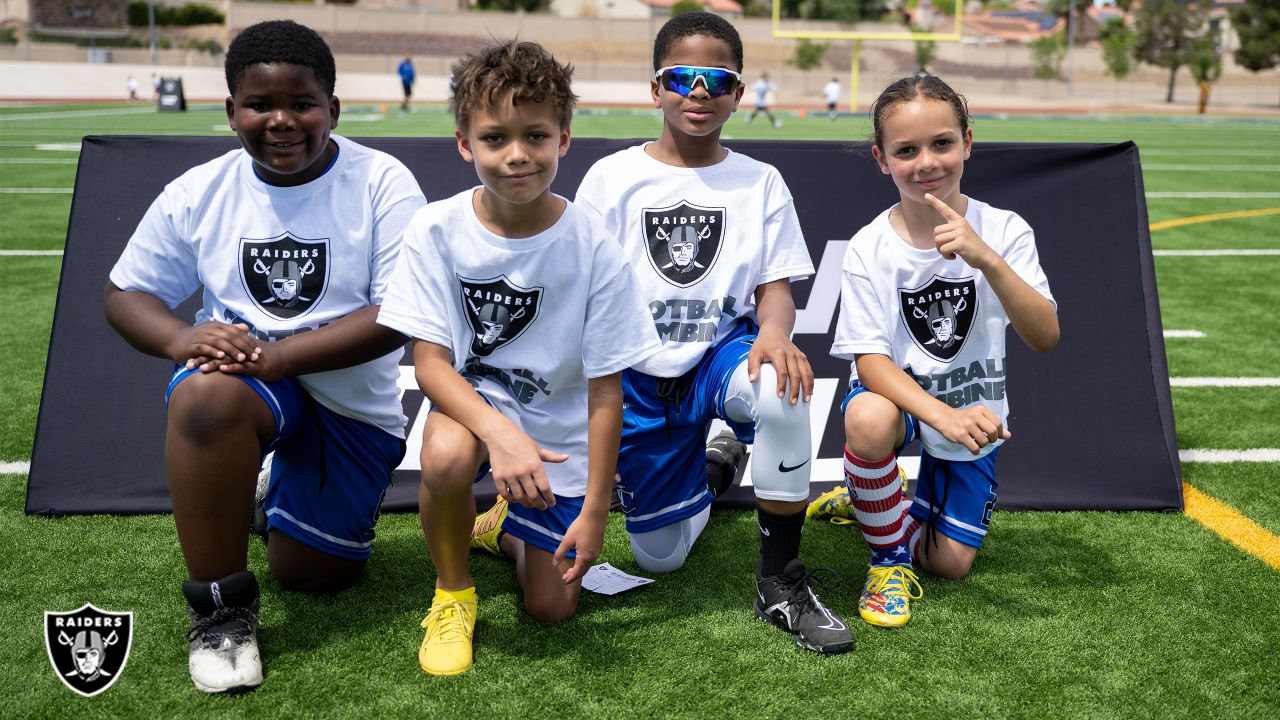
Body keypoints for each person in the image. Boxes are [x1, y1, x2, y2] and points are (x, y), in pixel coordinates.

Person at [103, 20, 427, 693]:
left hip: (349, 401)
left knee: (313, 576)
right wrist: (177, 338)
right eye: (259, 105)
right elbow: (124, 293)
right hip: (247, 385)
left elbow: (400, 311)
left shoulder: (381, 183)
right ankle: (220, 610)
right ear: (231, 112)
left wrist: (284, 357)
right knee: (203, 393)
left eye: (302, 104)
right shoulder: (201, 189)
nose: (282, 121)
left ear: (332, 109)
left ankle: (264, 487)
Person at [377, 40, 661, 677]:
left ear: (564, 138)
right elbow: (429, 365)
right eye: (495, 137)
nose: (516, 155)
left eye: (535, 135)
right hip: (474, 410)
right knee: (446, 454)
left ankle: (502, 528)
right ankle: (453, 592)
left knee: (551, 608)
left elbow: (606, 390)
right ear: (463, 143)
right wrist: (501, 435)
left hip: (559, 437)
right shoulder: (435, 229)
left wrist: (595, 515)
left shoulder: (593, 244)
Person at [574, 11, 852, 655]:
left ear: (738, 93)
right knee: (660, 557)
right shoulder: (611, 179)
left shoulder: (760, 181)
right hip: (637, 374)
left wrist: (776, 335)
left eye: (716, 80)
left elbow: (774, 290)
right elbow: (583, 290)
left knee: (784, 392)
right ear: (655, 88)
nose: (698, 92)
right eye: (682, 77)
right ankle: (716, 465)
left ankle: (780, 584)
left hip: (720, 355)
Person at [821, 73, 1059, 629]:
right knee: (868, 416)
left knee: (948, 565)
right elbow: (870, 362)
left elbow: (1045, 336)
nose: (926, 161)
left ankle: (867, 501)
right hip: (908, 403)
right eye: (906, 150)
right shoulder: (868, 246)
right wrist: (940, 416)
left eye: (942, 143)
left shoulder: (1005, 229)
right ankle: (886, 561)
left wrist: (988, 260)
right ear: (882, 160)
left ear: (968, 142)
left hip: (973, 413)